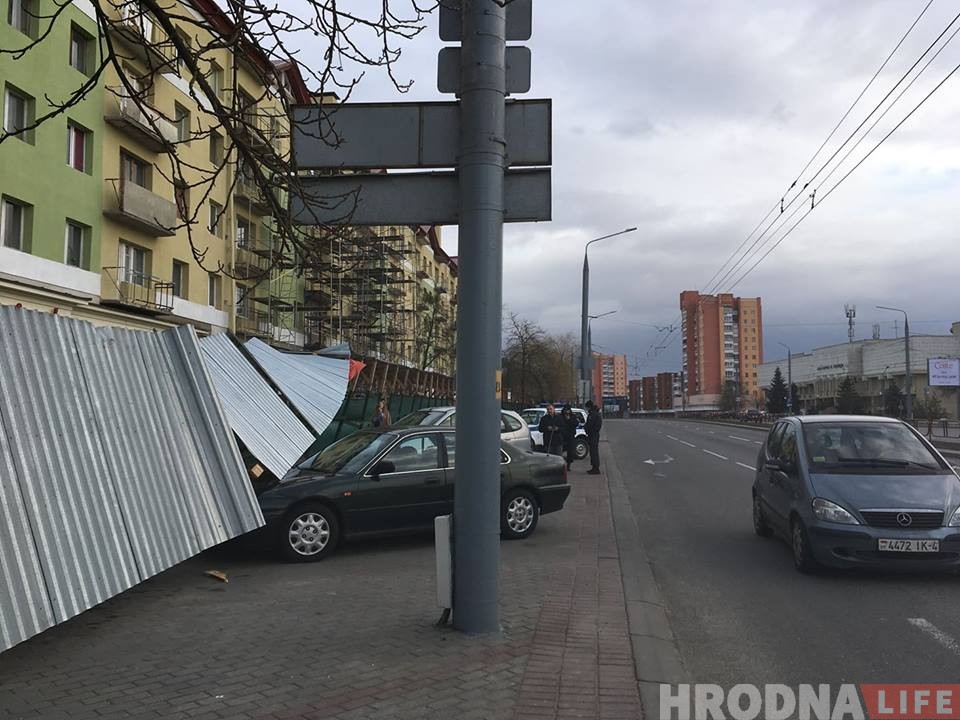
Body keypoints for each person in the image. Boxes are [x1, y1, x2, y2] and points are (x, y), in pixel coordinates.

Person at [584, 400, 602, 474]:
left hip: (593, 435)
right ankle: (594, 467)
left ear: (589, 407)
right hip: (593, 434)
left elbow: (591, 425)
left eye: (587, 407)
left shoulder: (593, 414)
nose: (586, 409)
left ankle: (596, 468)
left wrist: (587, 430)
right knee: (593, 451)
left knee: (594, 452)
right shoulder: (595, 413)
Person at [560, 404, 578, 471]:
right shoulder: (561, 416)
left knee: (570, 452)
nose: (567, 412)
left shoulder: (573, 416)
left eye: (568, 410)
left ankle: (568, 465)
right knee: (561, 450)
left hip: (571, 436)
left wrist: (569, 420)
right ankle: (561, 465)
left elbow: (575, 423)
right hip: (562, 436)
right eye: (565, 410)